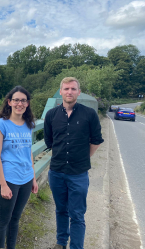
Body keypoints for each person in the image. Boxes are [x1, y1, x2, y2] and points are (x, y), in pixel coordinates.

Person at [44, 77, 104, 249]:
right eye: (66, 89)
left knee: (77, 214)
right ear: (61, 91)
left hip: (78, 174)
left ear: (78, 92)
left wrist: (84, 157)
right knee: (61, 210)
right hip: (56, 172)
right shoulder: (51, 115)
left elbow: (96, 140)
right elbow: (50, 142)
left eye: (73, 89)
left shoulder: (89, 114)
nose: (69, 92)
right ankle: (61, 242)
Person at [0, 86, 39, 249]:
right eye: (16, 100)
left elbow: (29, 152)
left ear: (27, 104)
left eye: (23, 100)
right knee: (4, 219)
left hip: (26, 178)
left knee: (16, 218)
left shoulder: (29, 124)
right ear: (9, 102)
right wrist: (3, 185)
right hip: (9, 178)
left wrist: (33, 178)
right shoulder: (1, 125)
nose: (20, 103)